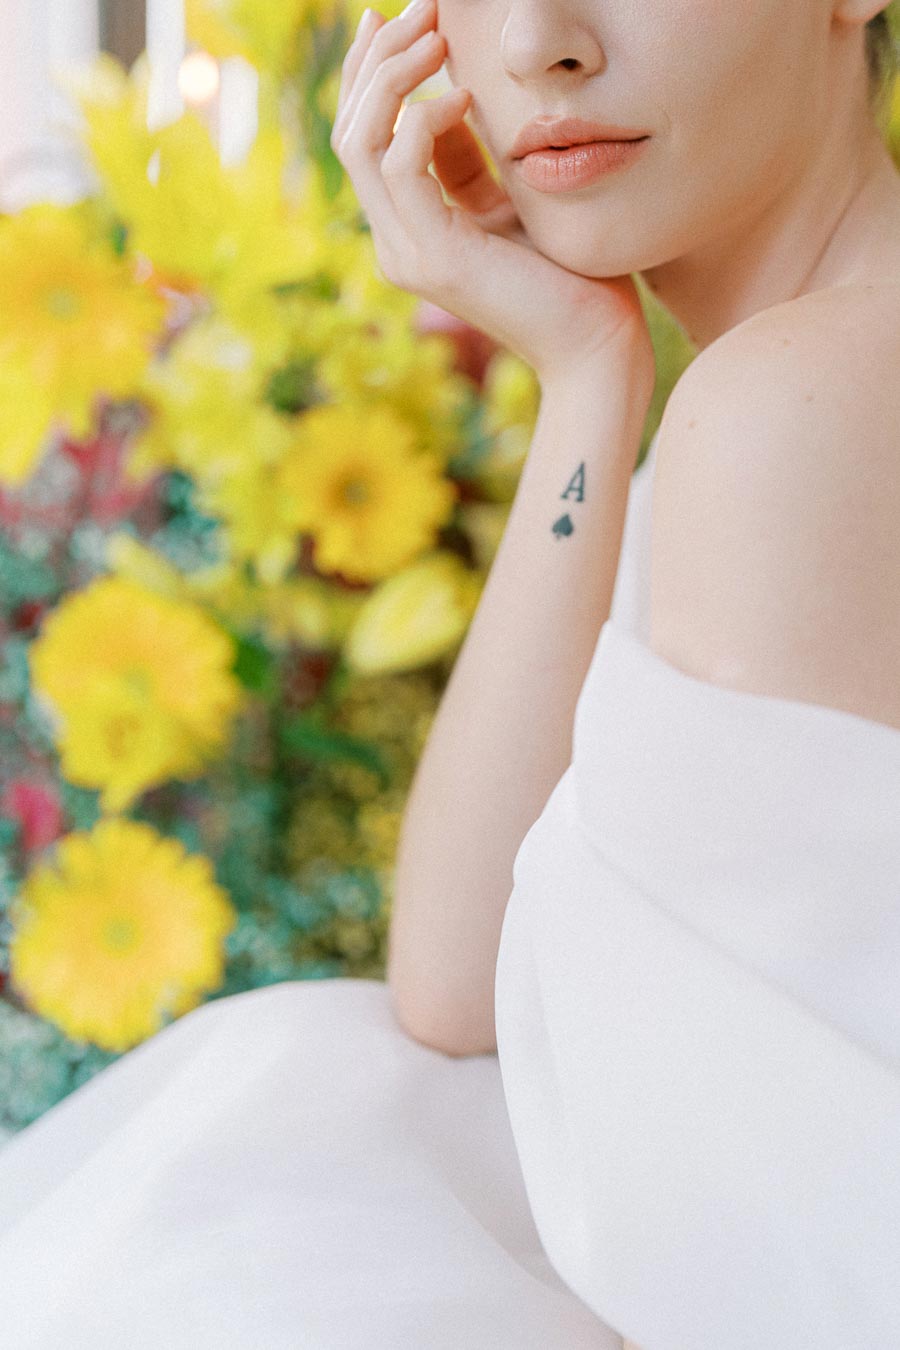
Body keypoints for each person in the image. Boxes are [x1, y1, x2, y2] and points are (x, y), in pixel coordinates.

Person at [2, 2, 900, 1346]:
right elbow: (459, 985)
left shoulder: (795, 409)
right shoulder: (780, 380)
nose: (539, 38)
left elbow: (765, 1254)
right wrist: (588, 375)